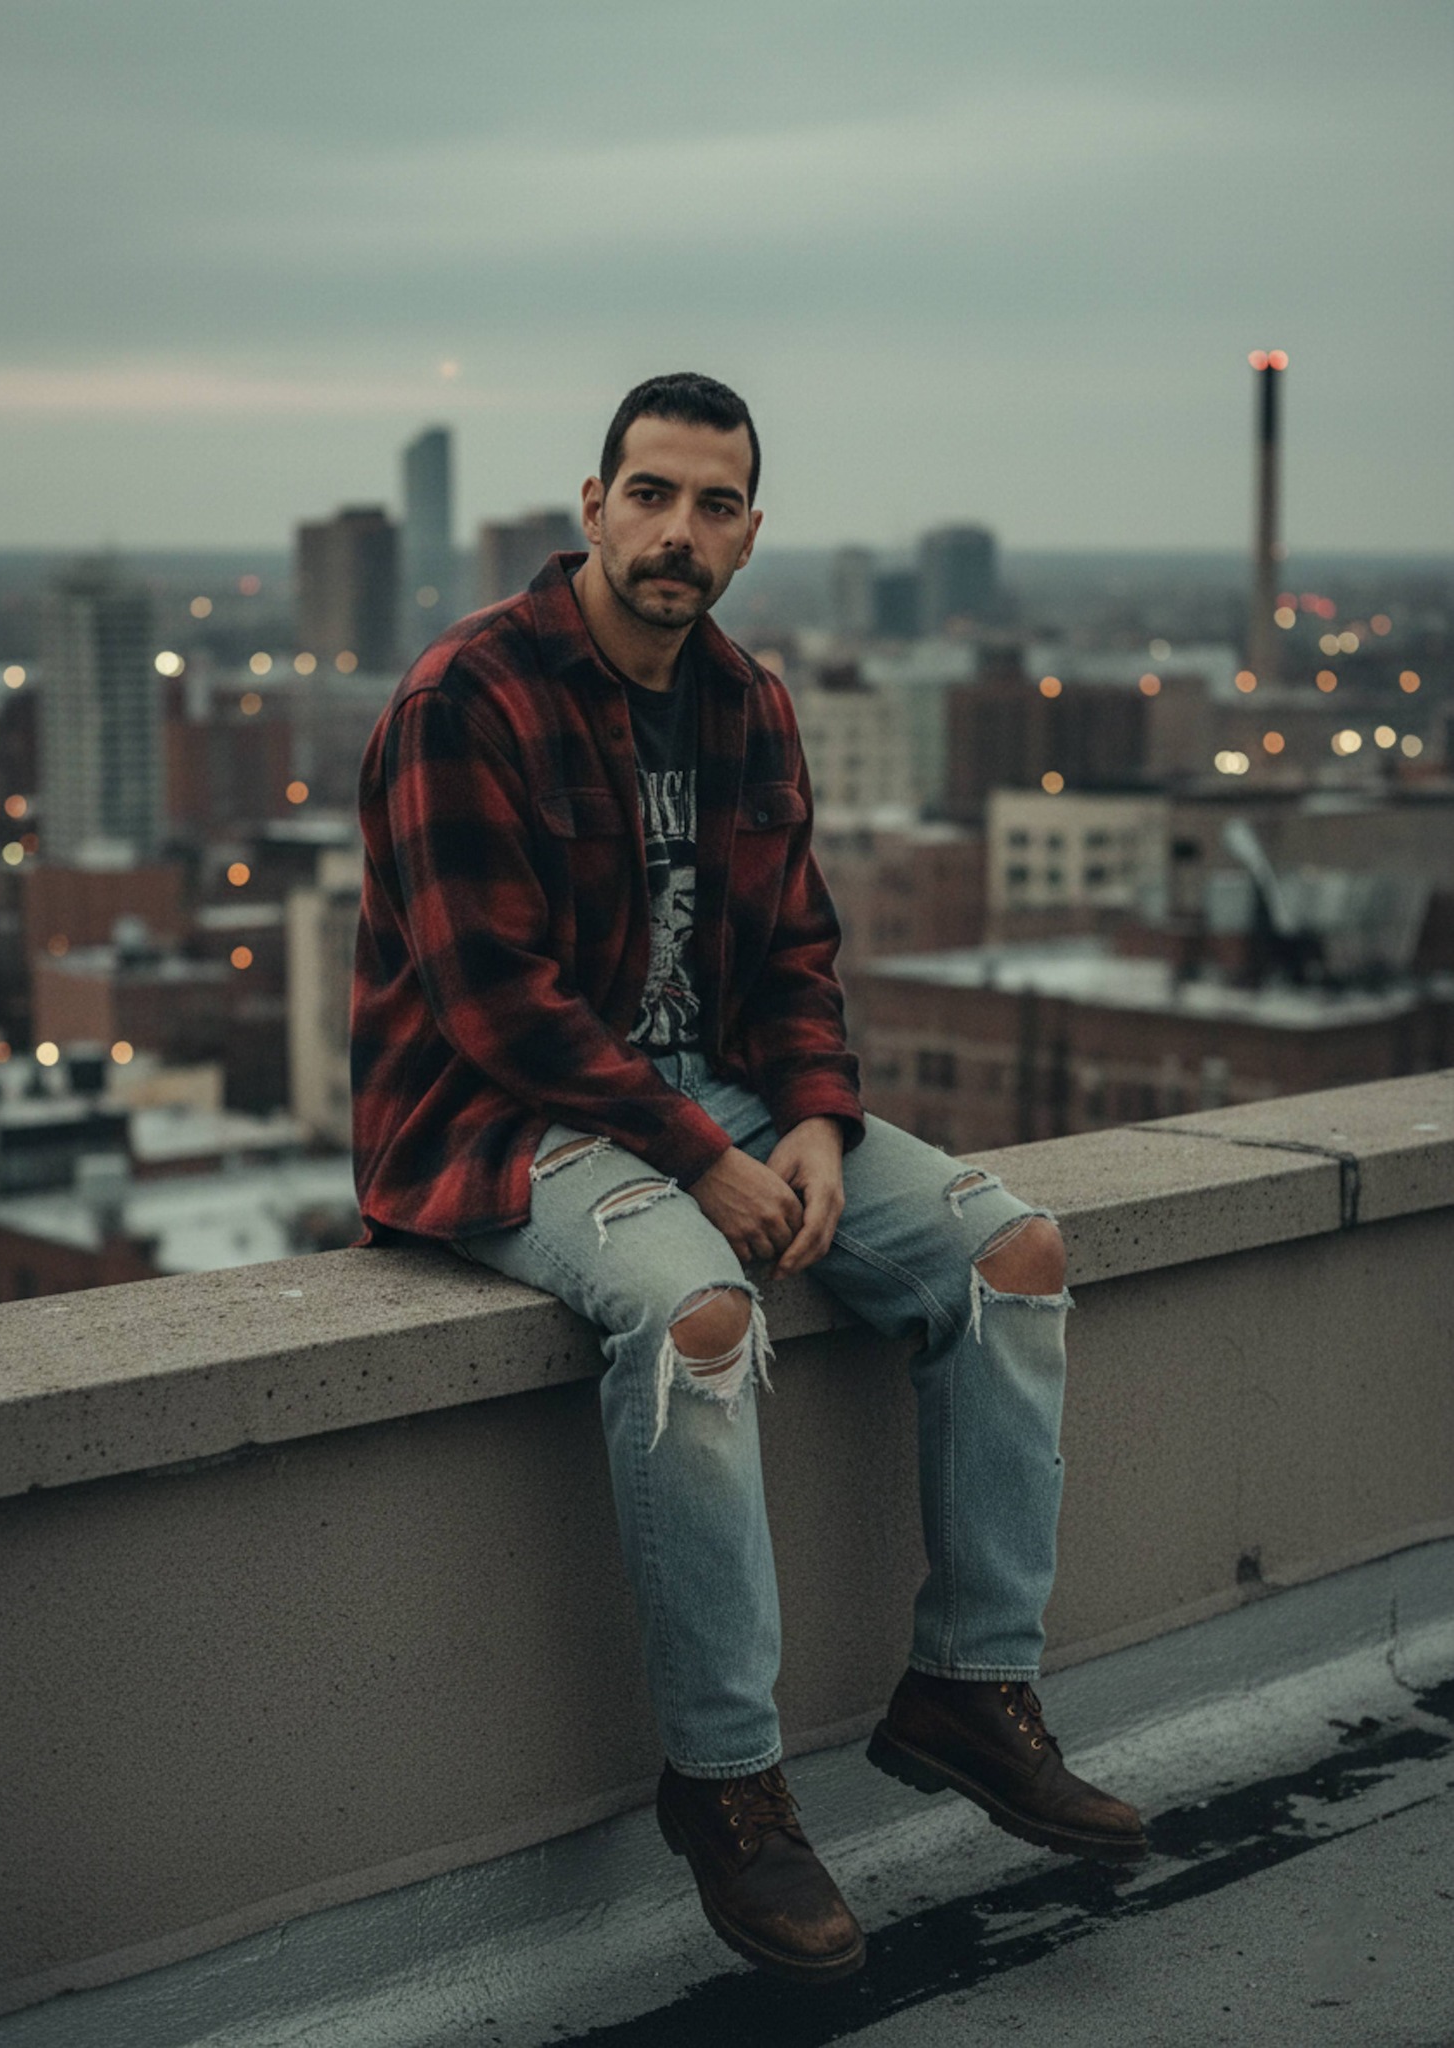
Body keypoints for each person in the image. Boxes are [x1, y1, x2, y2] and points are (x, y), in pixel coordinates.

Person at [352, 371, 1147, 1987]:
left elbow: (791, 950)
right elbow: (494, 999)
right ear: (591, 505)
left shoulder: (743, 702)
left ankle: (970, 1690)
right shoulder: (468, 698)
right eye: (650, 494)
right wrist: (707, 1159)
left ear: (750, 533)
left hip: (712, 1099)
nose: (678, 533)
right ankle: (728, 1787)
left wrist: (812, 1122)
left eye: (715, 506)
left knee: (1015, 1255)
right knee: (702, 1318)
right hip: (500, 1119)